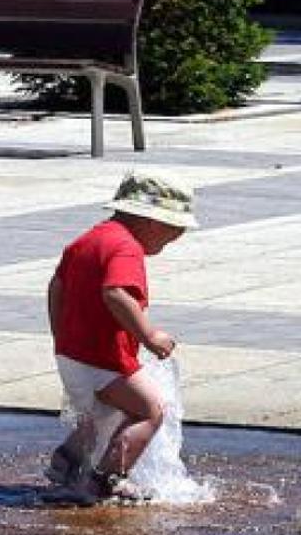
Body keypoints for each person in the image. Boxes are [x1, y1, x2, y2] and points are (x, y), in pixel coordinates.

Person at [45, 170, 198, 501]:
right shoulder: (126, 248)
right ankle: (106, 480)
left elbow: (56, 286)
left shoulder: (86, 240)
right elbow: (116, 293)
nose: (173, 240)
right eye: (173, 234)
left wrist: (61, 335)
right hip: (105, 358)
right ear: (152, 222)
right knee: (151, 410)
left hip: (72, 355)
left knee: (104, 413)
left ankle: (67, 461)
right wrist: (149, 335)